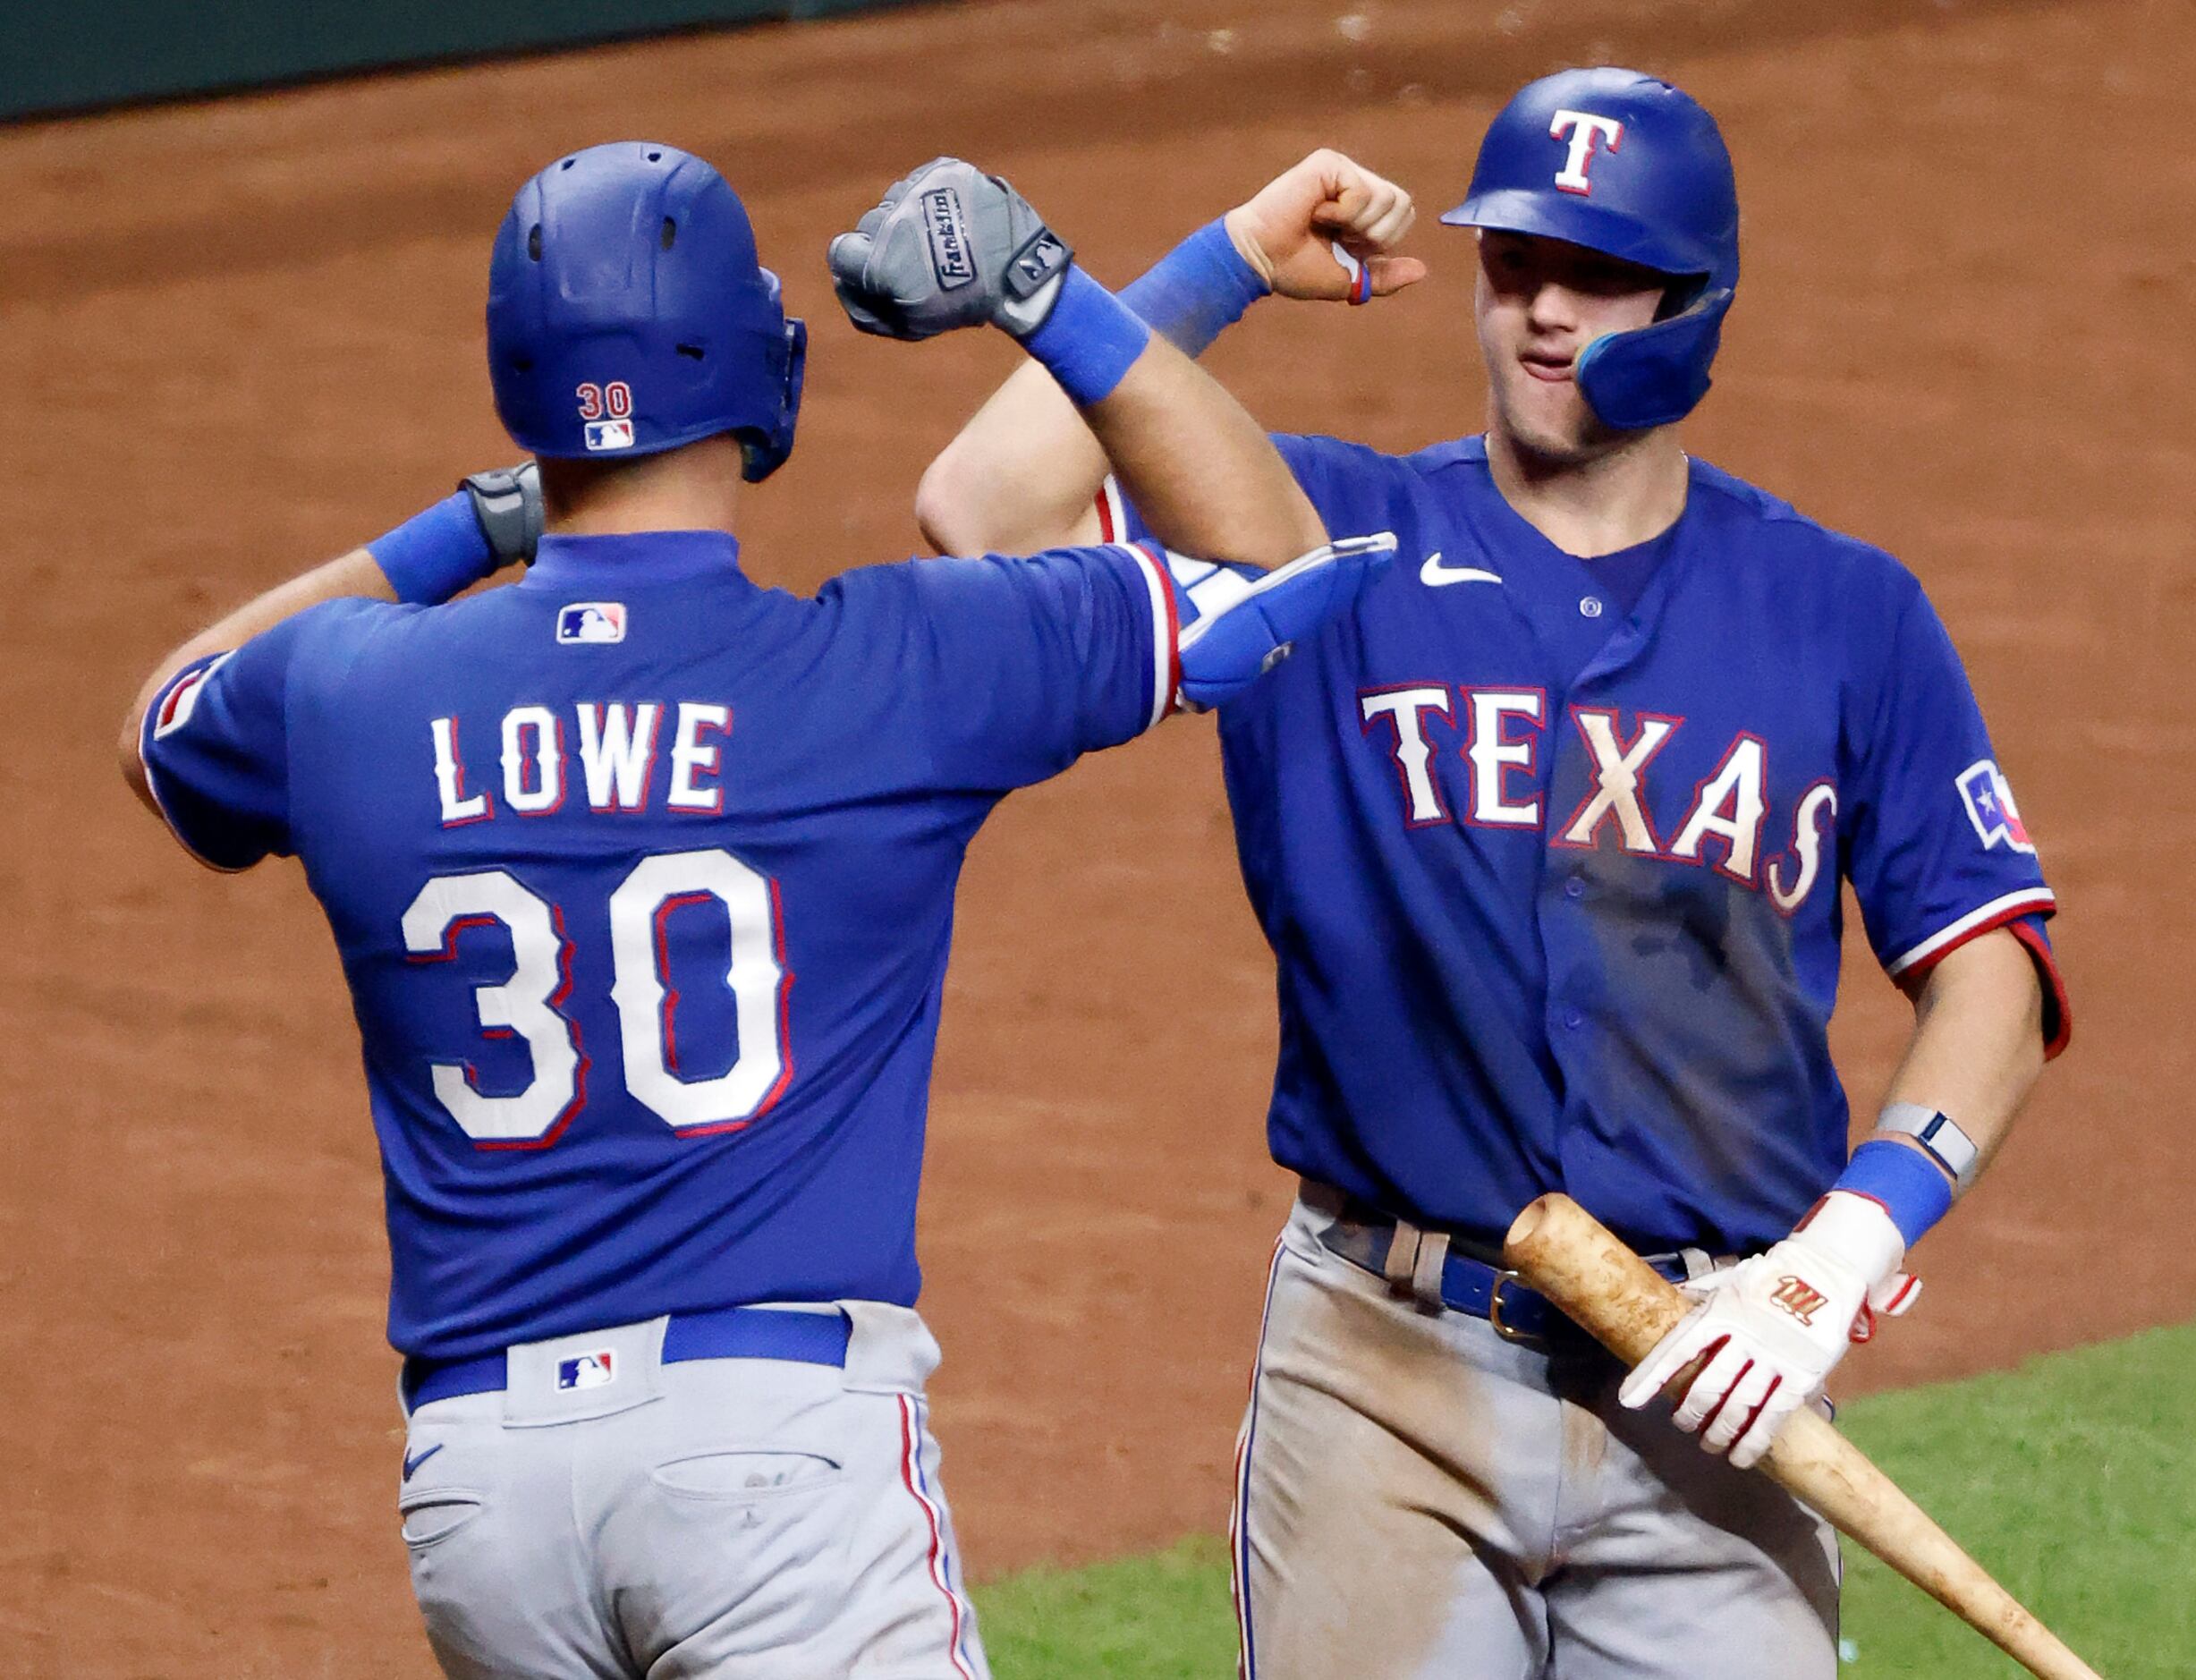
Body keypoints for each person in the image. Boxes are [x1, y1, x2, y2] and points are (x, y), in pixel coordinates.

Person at [119, 141, 1386, 1680]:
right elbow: (1276, 567)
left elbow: (167, 722)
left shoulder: (351, 688)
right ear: (758, 371)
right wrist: (1069, 290)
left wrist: (473, 528)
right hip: (773, 1464)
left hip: (480, 1495)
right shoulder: (895, 669)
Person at [911, 69, 2069, 1679]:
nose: (1540, 312)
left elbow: (1990, 968)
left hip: (1709, 1385)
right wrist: (1234, 255)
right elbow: (981, 501)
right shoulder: (1323, 537)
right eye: (1513, 263)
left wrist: (1837, 1259)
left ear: (1692, 304)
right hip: (1386, 1374)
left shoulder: (1842, 611)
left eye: (1592, 276)